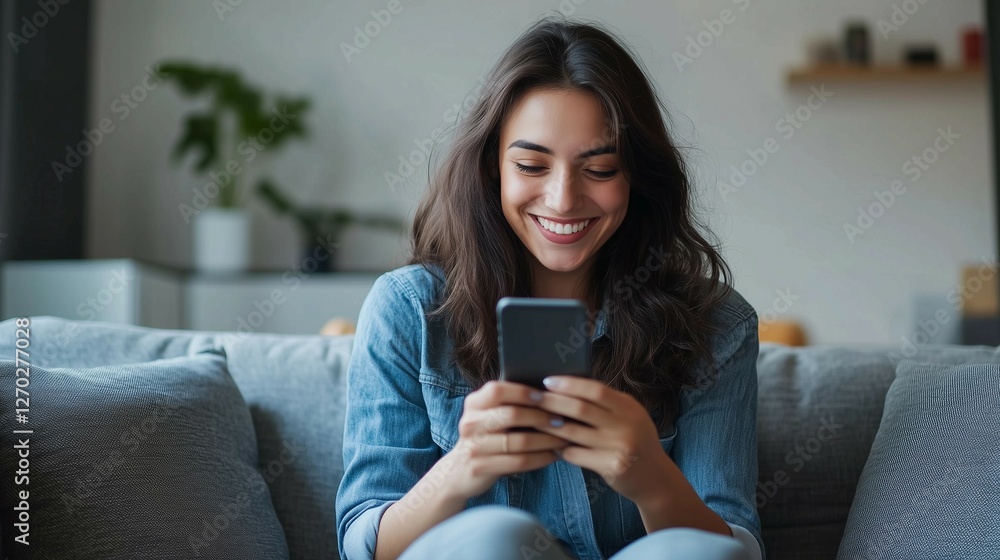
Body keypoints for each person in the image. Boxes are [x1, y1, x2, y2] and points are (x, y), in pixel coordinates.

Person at [335, 17, 763, 560]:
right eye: (532, 165)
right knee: (496, 538)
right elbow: (362, 547)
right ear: (493, 168)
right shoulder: (411, 311)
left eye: (601, 170)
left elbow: (734, 550)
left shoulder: (716, 323)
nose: (562, 200)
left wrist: (651, 475)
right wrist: (463, 467)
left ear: (637, 176)